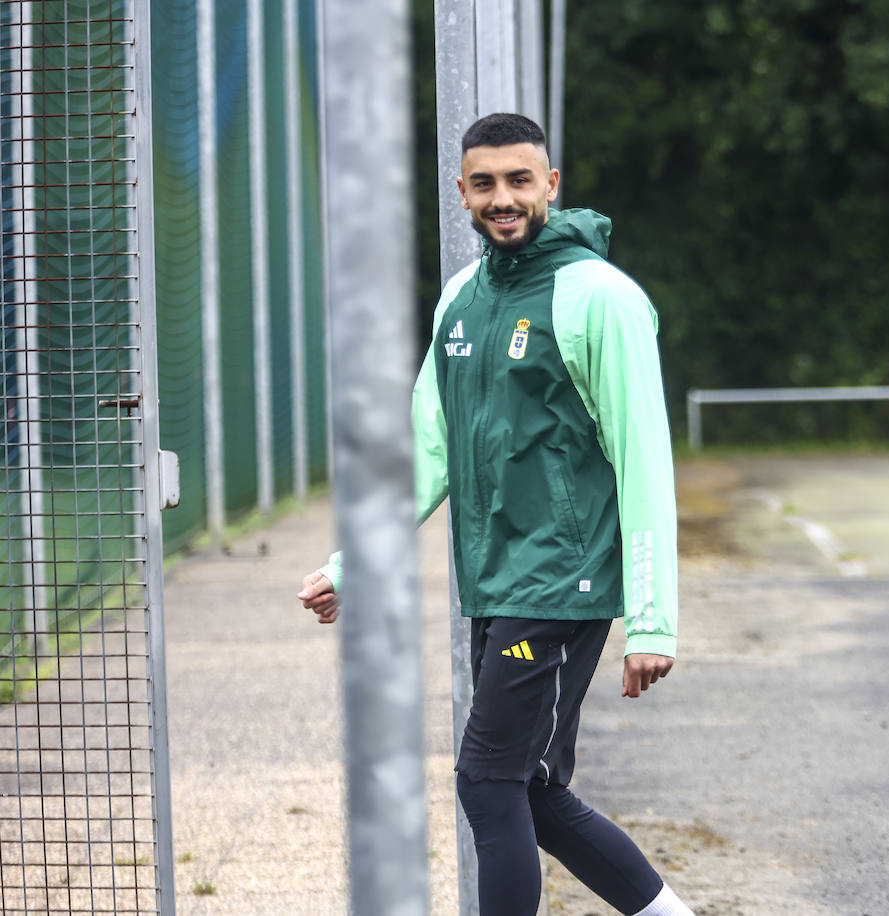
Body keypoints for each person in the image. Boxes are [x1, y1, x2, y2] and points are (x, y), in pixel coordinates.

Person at [298, 113, 694, 916]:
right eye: (485, 183)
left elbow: (645, 463)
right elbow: (425, 454)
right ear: (463, 193)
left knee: (486, 781)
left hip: (557, 584)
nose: (502, 198)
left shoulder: (601, 298)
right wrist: (352, 565)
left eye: (520, 181)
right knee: (534, 791)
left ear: (552, 185)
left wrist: (652, 623)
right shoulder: (461, 300)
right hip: (493, 582)